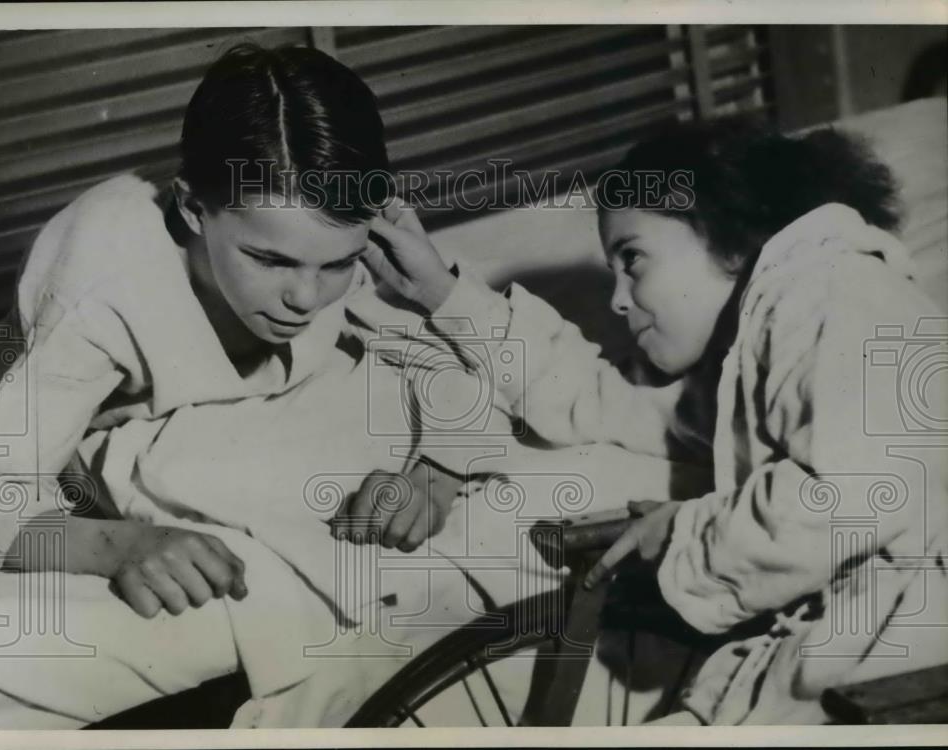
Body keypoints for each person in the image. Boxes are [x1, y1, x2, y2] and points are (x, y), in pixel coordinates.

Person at [360, 116, 948, 724]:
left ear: (731, 235)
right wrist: (438, 290)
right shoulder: (744, 363)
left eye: (633, 258)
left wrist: (681, 532)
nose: (617, 299)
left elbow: (853, 496)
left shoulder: (840, 289)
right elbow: (593, 398)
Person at [0, 42, 467, 728]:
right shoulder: (106, 271)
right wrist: (123, 546)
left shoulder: (341, 238)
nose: (306, 297)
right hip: (75, 438)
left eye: (338, 265)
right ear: (190, 209)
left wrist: (435, 476)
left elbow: (459, 354)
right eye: (269, 259)